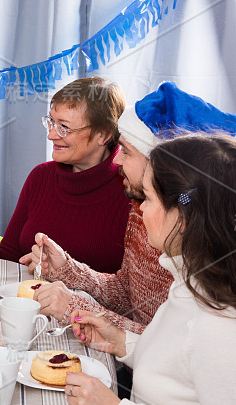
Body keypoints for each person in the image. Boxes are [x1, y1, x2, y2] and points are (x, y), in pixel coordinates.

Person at [21, 82, 236, 334]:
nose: (118, 159)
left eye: (128, 151)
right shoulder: (140, 206)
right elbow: (128, 291)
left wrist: (76, 307)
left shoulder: (198, 244)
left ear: (163, 167)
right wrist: (68, 270)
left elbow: (167, 345)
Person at [66, 134, 236, 405]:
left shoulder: (218, 326)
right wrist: (122, 343)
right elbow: (181, 373)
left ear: (183, 217)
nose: (140, 210)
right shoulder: (192, 284)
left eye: (148, 198)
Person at [0, 77, 130, 273]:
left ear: (104, 134)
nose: (51, 135)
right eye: (51, 122)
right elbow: (9, 253)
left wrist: (65, 275)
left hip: (86, 305)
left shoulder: (131, 190)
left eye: (64, 128)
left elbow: (130, 291)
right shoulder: (40, 177)